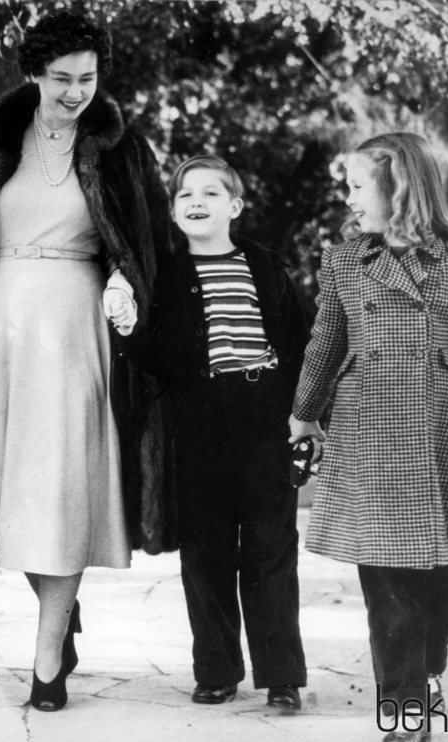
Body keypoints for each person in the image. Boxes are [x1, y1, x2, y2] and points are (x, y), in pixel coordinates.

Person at [0, 10, 171, 712]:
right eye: (61, 78)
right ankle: (62, 609)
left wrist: (125, 282)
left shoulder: (120, 147)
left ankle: (47, 657)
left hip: (78, 327)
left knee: (60, 488)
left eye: (88, 78)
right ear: (31, 73)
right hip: (0, 328)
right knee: (12, 491)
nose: (77, 91)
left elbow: (142, 245)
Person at [288, 133, 448, 742]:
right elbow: (325, 341)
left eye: (358, 185)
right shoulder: (343, 260)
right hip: (370, 429)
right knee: (387, 583)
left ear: (400, 188)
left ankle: (425, 667)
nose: (349, 198)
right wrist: (304, 412)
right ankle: (406, 710)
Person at [126, 155, 309, 709]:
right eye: (185, 195)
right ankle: (216, 669)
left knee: (270, 548)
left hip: (263, 412)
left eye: (211, 193)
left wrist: (306, 415)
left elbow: (301, 342)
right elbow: (154, 357)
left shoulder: (265, 264)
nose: (197, 202)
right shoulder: (167, 275)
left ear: (234, 206)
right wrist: (128, 329)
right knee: (204, 552)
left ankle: (281, 676)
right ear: (175, 211)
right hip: (199, 421)